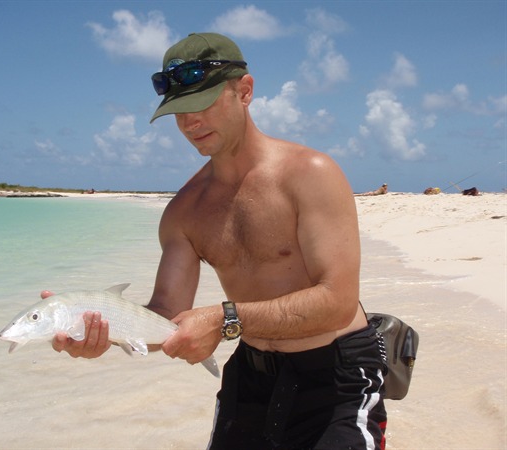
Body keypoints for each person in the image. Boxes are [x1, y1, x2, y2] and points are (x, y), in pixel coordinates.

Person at [50, 33, 387, 449]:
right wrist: (102, 330)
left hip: (336, 374)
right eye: (179, 111)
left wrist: (221, 319)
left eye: (203, 102)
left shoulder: (309, 174)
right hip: (251, 375)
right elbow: (166, 315)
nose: (191, 122)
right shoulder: (184, 212)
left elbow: (337, 301)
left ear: (244, 91)